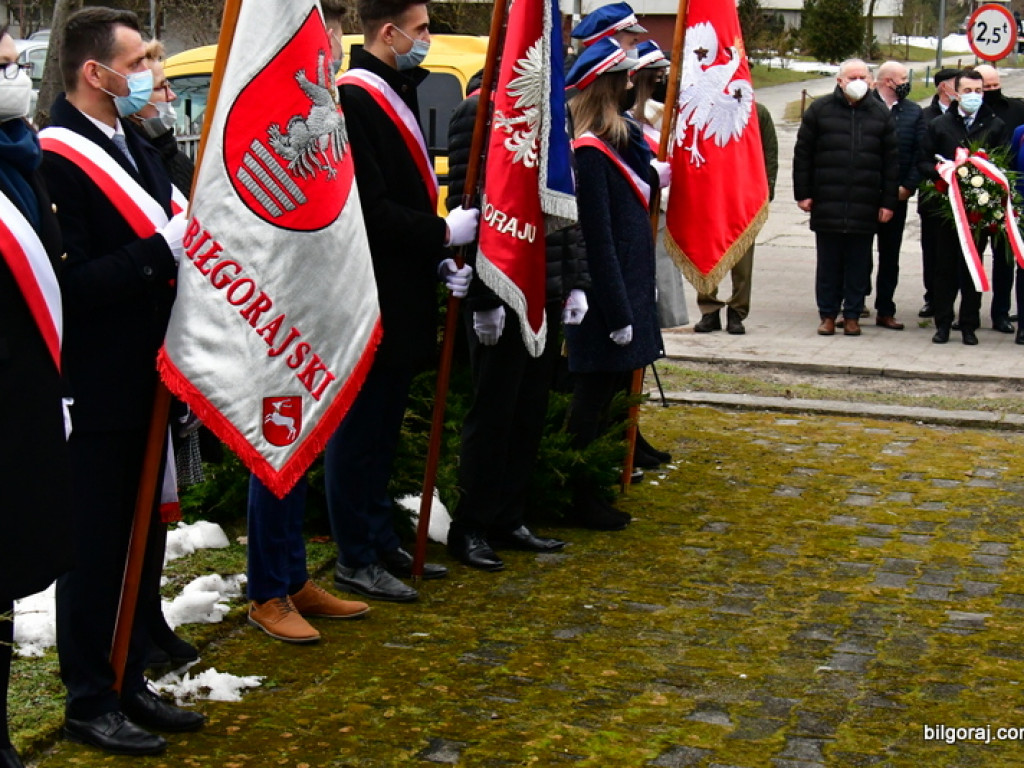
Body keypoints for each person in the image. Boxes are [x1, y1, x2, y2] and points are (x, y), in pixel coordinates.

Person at [40, 7, 202, 756]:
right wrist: (160, 252)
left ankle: (129, 677)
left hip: (153, 374)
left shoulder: (133, 138)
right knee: (98, 546)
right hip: (97, 385)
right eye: (138, 61)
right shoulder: (55, 160)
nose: (151, 74)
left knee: (144, 542)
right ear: (94, 72)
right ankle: (87, 696)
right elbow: (69, 285)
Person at [328, 0, 478, 601]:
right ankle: (354, 556)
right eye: (419, 30)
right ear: (388, 33)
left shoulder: (397, 88)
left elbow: (409, 191)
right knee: (359, 434)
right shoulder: (355, 97)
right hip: (371, 294)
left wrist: (437, 256)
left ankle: (379, 535)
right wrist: (442, 234)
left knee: (385, 430)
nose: (426, 39)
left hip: (403, 289)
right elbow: (369, 208)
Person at [443, 70, 581, 572]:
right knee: (493, 411)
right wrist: (483, 297)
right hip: (500, 287)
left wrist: (575, 282)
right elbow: (470, 206)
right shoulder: (475, 112)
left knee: (529, 407)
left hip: (545, 285)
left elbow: (565, 206)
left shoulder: (551, 113)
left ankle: (509, 514)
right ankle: (471, 524)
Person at [0, 25, 72, 768]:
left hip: (23, 397)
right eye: (4, 67)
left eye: (17, 63)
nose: (16, 77)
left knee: (9, 570)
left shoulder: (21, 153)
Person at [120, 37, 201, 673]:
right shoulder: (76, 158)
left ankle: (146, 620)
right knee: (117, 527)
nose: (162, 93)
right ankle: (115, 653)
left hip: (162, 351)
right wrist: (160, 250)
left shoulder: (153, 151)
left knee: (151, 516)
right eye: (149, 75)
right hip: (119, 365)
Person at [564, 38, 664, 530]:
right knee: (590, 403)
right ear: (604, 87)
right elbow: (599, 240)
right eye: (623, 77)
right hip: (604, 301)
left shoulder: (613, 145)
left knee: (606, 402)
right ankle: (578, 493)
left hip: (623, 292)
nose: (633, 83)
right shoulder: (589, 152)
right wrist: (621, 312)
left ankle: (593, 487)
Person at [793, 58, 898, 337]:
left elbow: (891, 163)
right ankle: (827, 315)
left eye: (862, 77)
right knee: (828, 263)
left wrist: (888, 202)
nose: (857, 82)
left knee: (858, 263)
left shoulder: (881, 114)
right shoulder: (820, 110)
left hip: (865, 203)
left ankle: (852, 315)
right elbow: (803, 154)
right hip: (828, 200)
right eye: (851, 77)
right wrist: (803, 194)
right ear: (839, 81)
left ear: (872, 81)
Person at [919, 68, 1009, 345]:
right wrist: (944, 174)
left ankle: (969, 324)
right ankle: (943, 323)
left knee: (972, 266)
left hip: (977, 212)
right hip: (946, 208)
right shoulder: (939, 125)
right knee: (944, 268)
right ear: (956, 93)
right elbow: (922, 161)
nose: (974, 96)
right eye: (968, 91)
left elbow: (1001, 165)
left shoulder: (995, 125)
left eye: (978, 91)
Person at [694, 100, 778, 335]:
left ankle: (737, 312)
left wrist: (766, 188)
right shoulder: (705, 107)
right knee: (706, 255)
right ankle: (709, 309)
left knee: (742, 260)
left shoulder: (757, 111)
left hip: (744, 194)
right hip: (710, 192)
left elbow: (769, 152)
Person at [868, 61, 924, 332]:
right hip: (864, 194)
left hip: (896, 196)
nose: (905, 82)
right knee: (858, 254)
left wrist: (908, 186)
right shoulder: (864, 106)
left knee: (890, 256)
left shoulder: (914, 112)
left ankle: (885, 309)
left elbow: (919, 153)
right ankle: (853, 304)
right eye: (902, 78)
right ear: (888, 81)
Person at [975, 63, 1024, 334]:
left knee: (1004, 259)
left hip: (1008, 199)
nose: (992, 91)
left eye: (996, 86)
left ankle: (1001, 313)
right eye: (987, 87)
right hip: (975, 195)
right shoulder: (971, 113)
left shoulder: (1016, 111)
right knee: (973, 256)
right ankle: (969, 312)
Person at [918, 68, 960, 319]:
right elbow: (920, 154)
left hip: (965, 198)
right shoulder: (924, 116)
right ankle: (931, 297)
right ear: (945, 87)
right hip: (934, 194)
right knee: (932, 250)